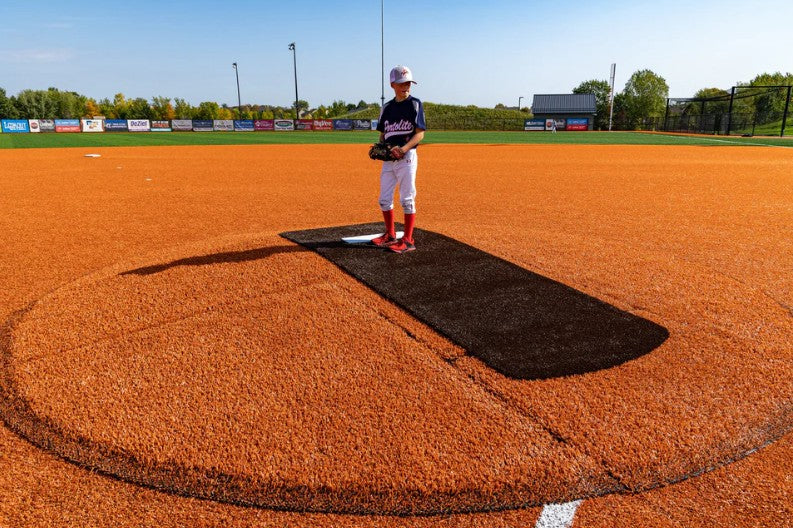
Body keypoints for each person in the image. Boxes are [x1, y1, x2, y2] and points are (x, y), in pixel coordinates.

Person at [370, 65, 426, 253]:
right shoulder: (386, 108)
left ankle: (408, 239)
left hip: (406, 157)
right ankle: (390, 234)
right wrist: (381, 148)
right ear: (392, 84)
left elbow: (420, 134)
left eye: (408, 83)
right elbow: (383, 134)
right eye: (402, 83)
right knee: (384, 199)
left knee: (407, 199)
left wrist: (403, 149)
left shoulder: (415, 104)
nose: (406, 86)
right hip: (389, 160)